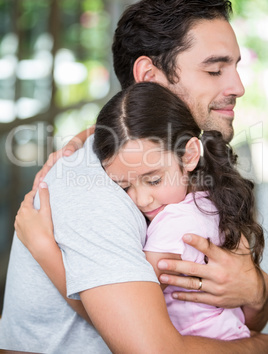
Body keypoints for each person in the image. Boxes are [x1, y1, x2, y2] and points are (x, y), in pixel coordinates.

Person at [1, 0, 268, 352]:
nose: (238, 86)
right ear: (149, 76)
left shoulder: (195, 168)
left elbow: (239, 311)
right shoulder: (94, 184)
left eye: (234, 67)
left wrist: (256, 290)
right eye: (214, 70)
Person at [16, 82, 265, 342]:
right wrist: (83, 137)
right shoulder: (206, 200)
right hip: (228, 334)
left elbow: (121, 324)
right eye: (124, 186)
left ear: (190, 155)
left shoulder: (174, 225)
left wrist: (44, 249)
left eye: (154, 180)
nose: (142, 200)